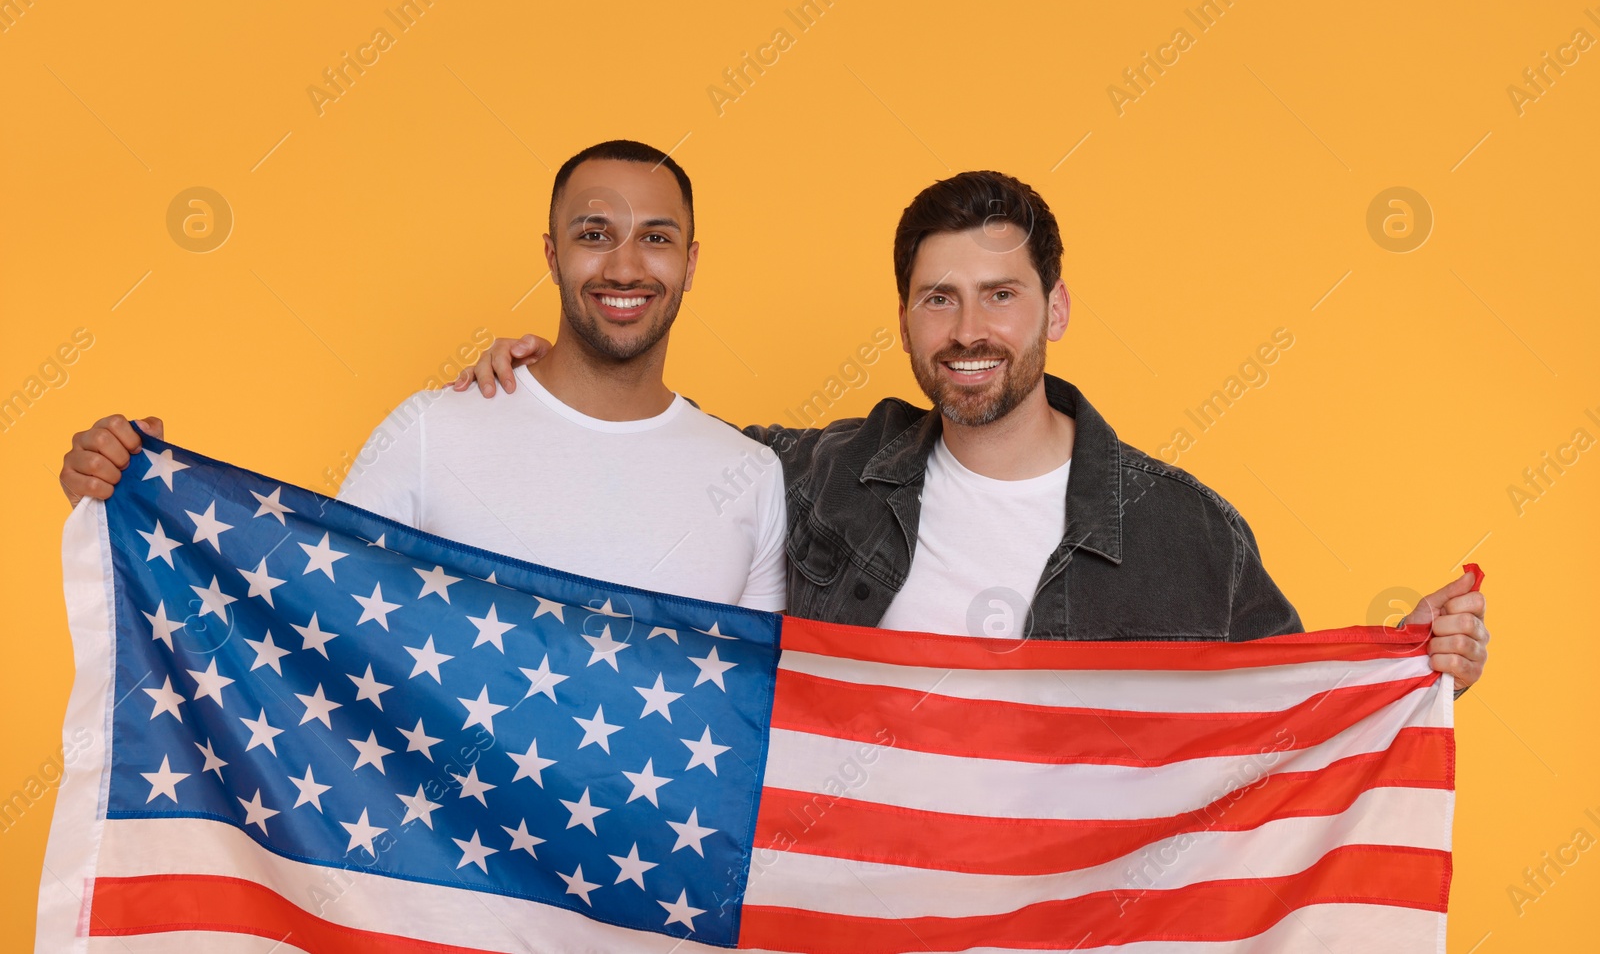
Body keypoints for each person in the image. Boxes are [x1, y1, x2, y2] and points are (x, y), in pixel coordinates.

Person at [460, 170, 1490, 690]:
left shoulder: (1187, 532)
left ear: (1054, 308)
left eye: (999, 295)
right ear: (904, 316)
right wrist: (553, 376)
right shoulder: (823, 472)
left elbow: (1292, 715)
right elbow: (659, 441)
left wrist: (1413, 662)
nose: (967, 332)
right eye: (937, 298)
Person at [58, 139, 787, 612]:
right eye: (594, 235)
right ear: (551, 254)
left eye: (656, 239)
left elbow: (753, 723)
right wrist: (144, 487)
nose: (625, 267)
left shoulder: (751, 476)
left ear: (690, 263)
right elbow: (305, 611)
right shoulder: (436, 429)